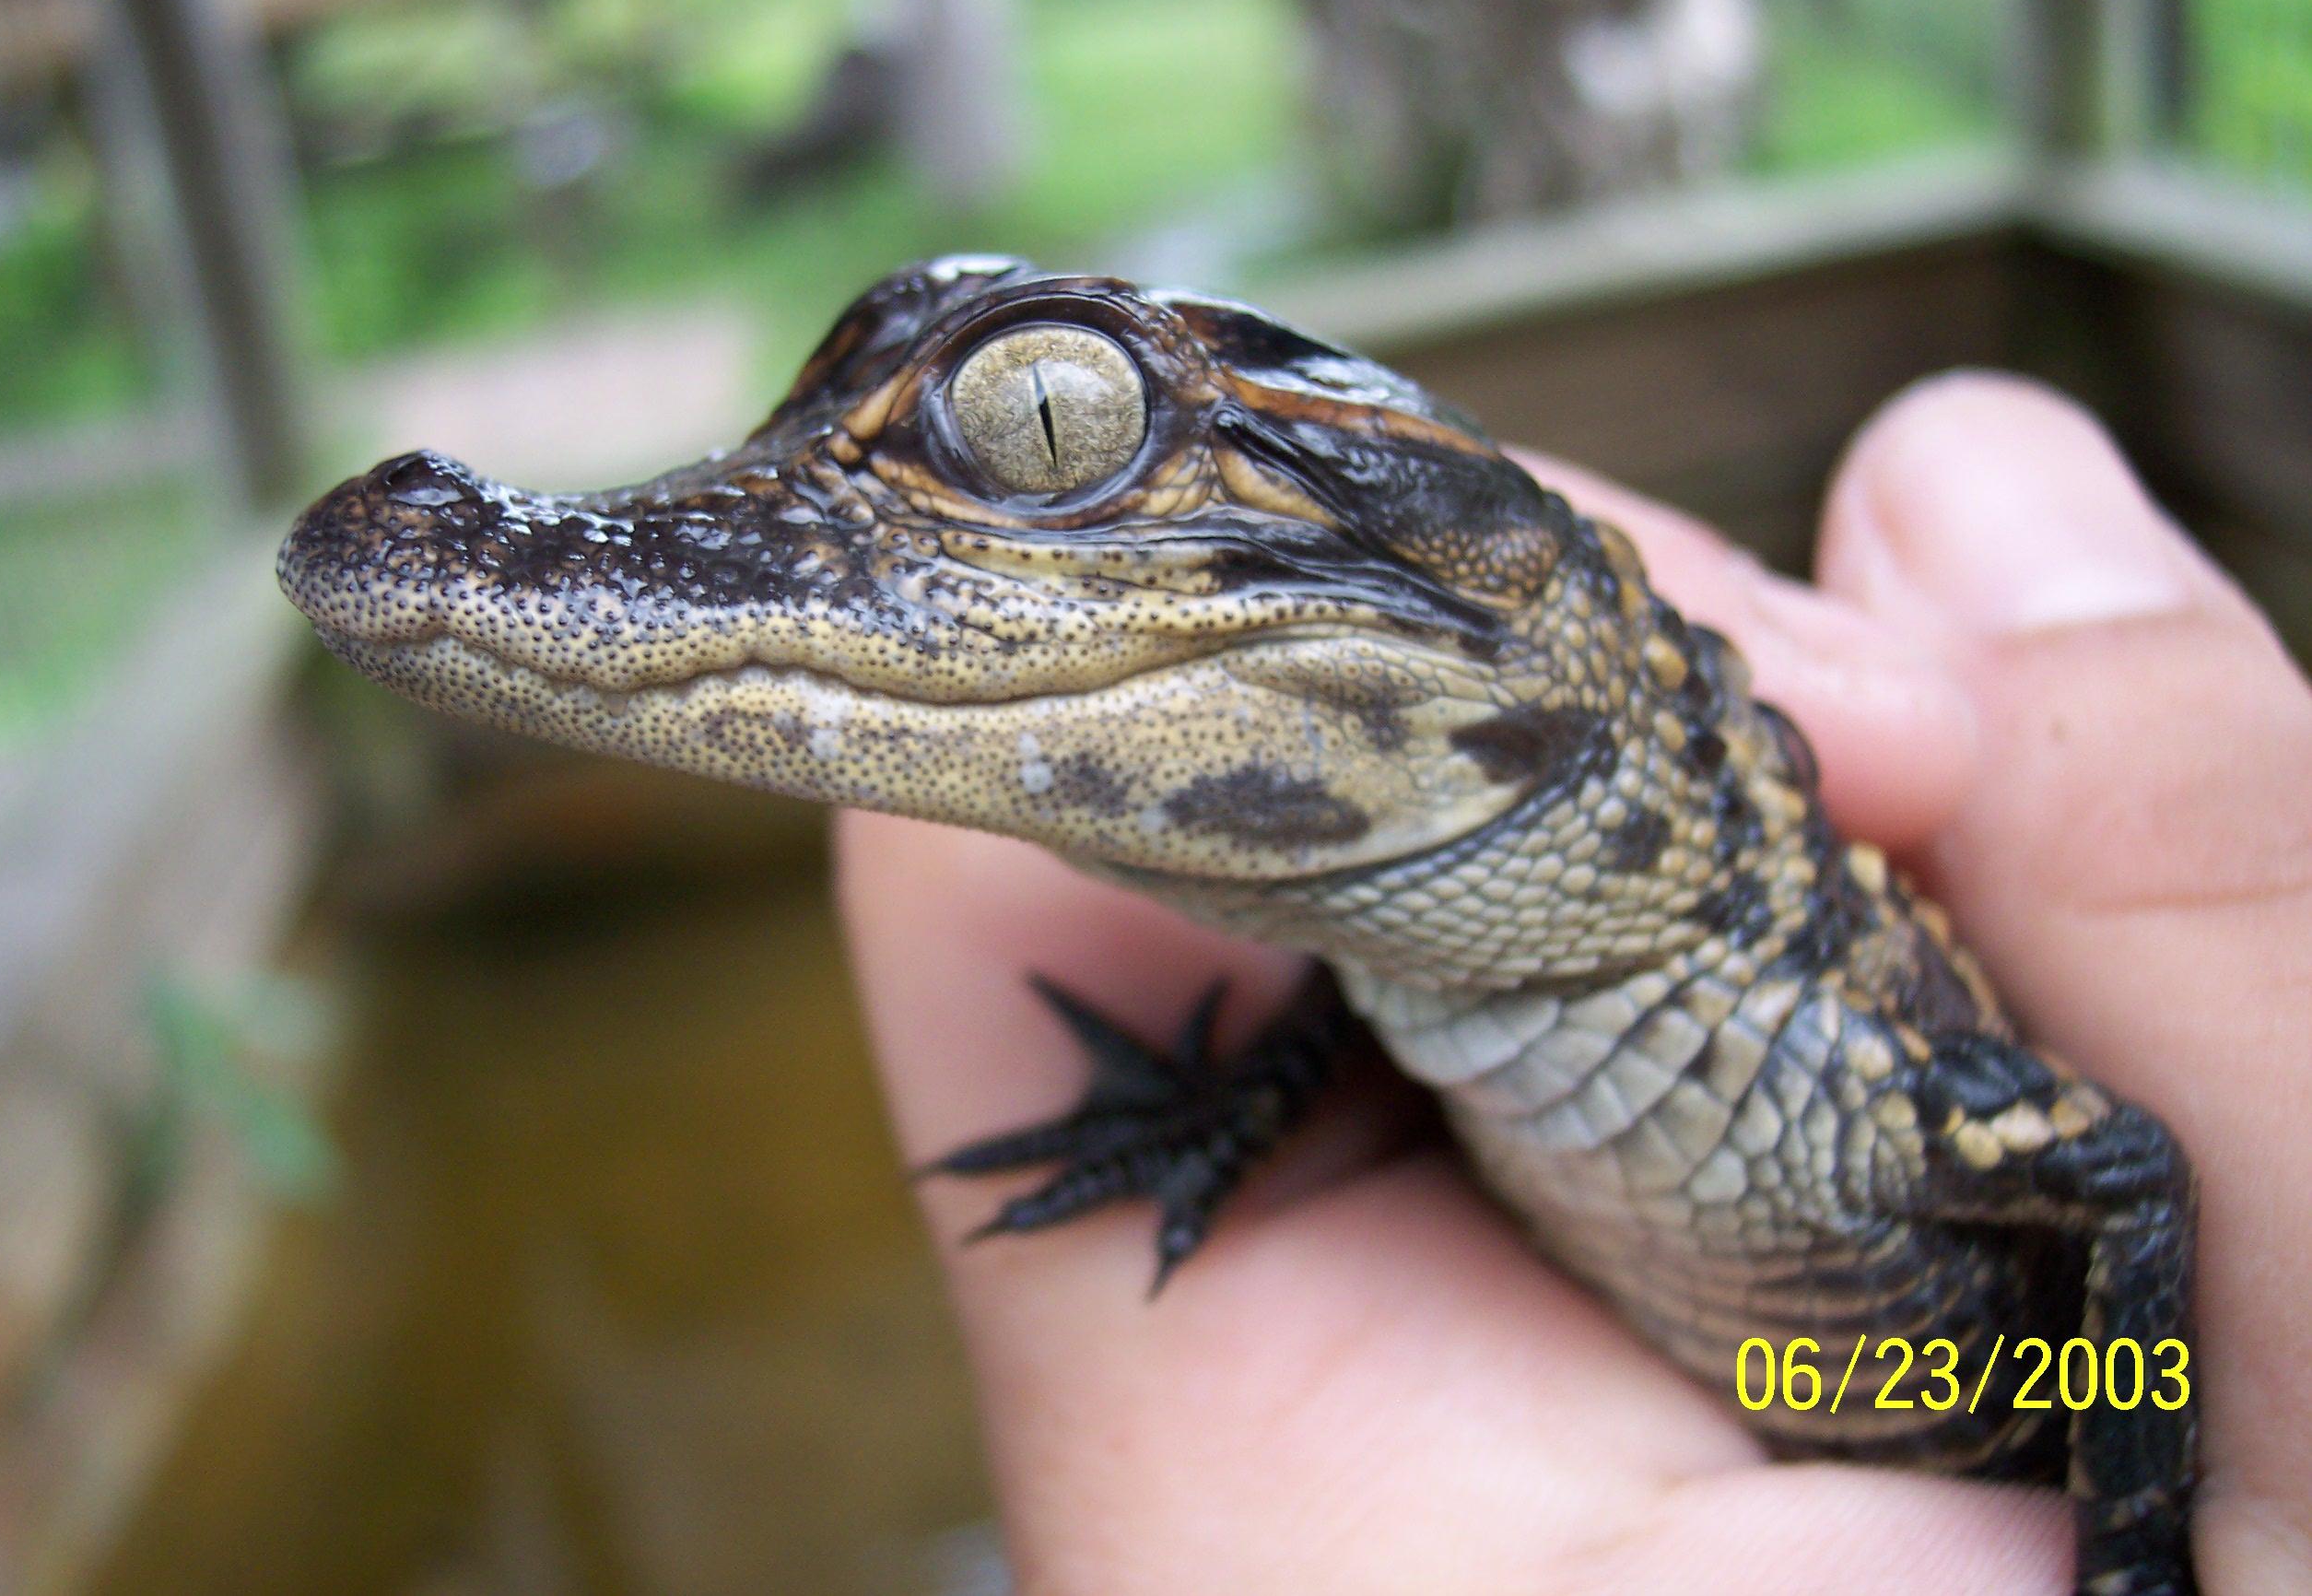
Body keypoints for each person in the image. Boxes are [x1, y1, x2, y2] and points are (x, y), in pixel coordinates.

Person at [836, 373, 2312, 1594]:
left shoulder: (1827, 1008)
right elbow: (1378, 957)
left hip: (1997, 1417)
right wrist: (1243, 1110)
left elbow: (2122, 1173)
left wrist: (2133, 1552)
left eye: (1043, 421)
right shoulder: (1419, 928)